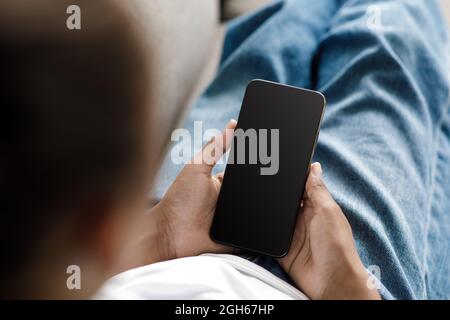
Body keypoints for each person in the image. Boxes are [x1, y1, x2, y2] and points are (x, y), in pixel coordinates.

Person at [1, 0, 448, 300]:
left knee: (268, 49)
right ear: (101, 224)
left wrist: (163, 233)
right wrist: (345, 285)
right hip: (317, 283)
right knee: (388, 43)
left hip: (179, 238)